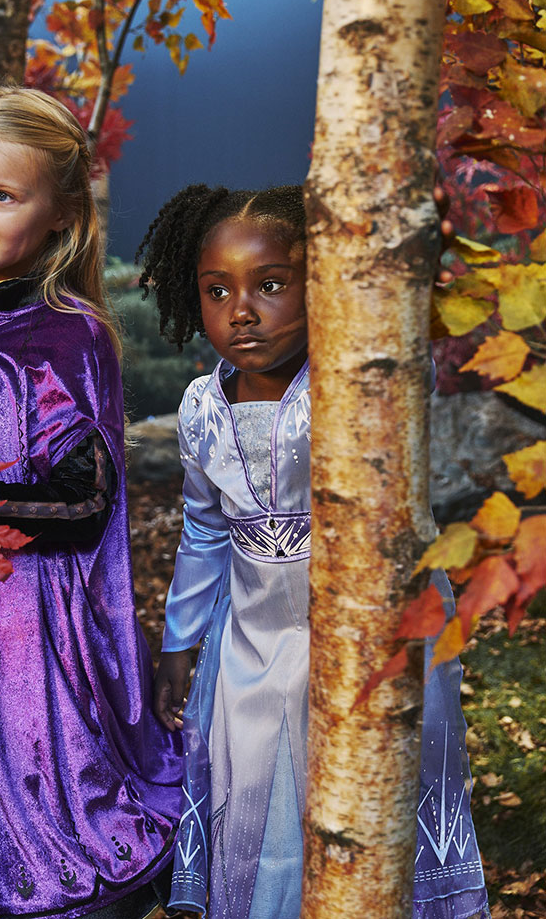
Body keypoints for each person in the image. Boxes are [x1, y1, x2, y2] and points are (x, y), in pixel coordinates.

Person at [136, 184, 490, 919]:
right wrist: (178, 645)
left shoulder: (354, 385)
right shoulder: (202, 407)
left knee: (360, 796)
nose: (240, 310)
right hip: (249, 641)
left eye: (270, 285)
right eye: (216, 290)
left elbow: (410, 373)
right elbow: (204, 530)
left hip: (368, 636)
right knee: (258, 794)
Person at [0, 86, 182, 919]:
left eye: (2, 195)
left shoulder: (68, 333)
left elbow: (87, 498)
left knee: (17, 760)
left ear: (61, 213)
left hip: (18, 611)